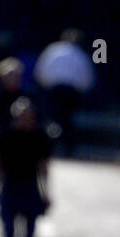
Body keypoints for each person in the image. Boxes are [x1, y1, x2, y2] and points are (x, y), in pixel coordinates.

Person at [0, 97, 51, 237]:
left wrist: (46, 193)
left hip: (30, 190)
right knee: (9, 232)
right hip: (9, 189)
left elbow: (44, 168)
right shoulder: (6, 136)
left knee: (29, 236)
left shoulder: (40, 137)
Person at [33, 29, 95, 157]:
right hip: (71, 92)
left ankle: (51, 145)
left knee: (52, 117)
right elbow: (87, 78)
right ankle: (68, 147)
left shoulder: (52, 51)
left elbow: (40, 71)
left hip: (54, 90)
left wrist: (45, 86)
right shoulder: (80, 54)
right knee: (68, 119)